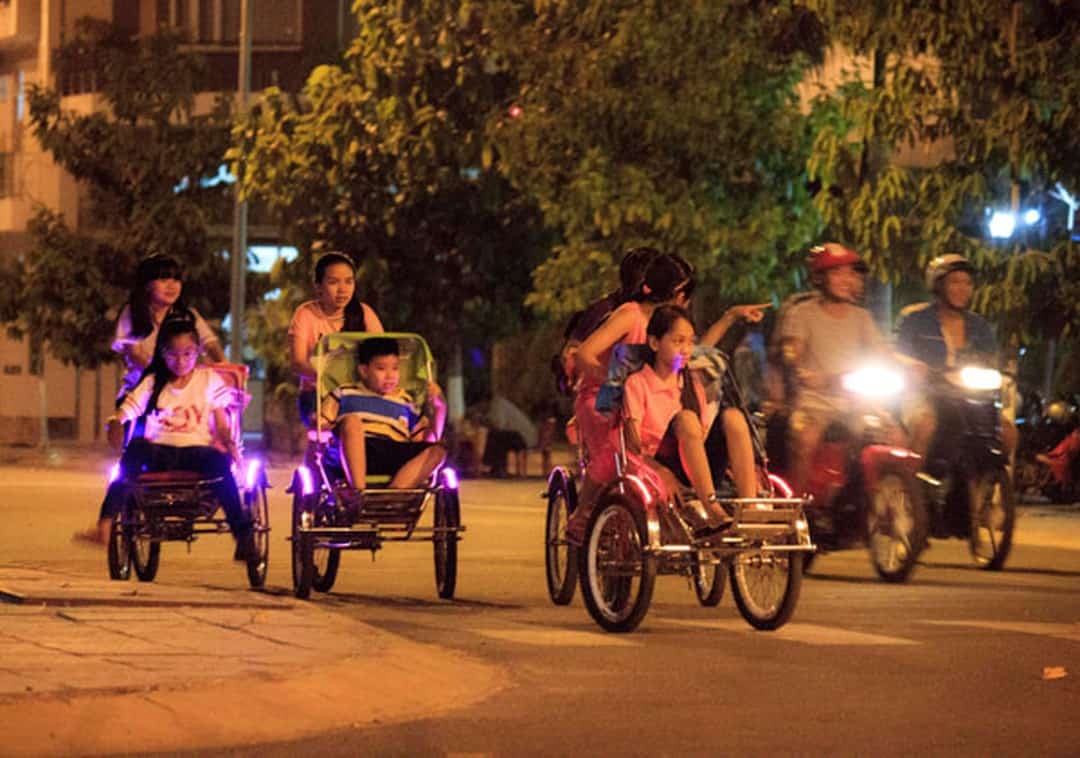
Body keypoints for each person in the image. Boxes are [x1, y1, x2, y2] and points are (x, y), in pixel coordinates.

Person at [75, 317, 254, 558]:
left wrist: (227, 441)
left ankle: (242, 536)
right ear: (163, 353)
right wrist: (115, 422)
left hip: (196, 452)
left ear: (198, 352)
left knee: (221, 466)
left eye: (187, 354)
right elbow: (125, 411)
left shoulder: (209, 380)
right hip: (159, 452)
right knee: (132, 455)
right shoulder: (152, 383)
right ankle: (104, 527)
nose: (180, 361)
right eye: (173, 354)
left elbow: (221, 422)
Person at [624, 305, 761, 533]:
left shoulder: (693, 385)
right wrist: (659, 471)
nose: (686, 349)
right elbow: (632, 448)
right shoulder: (638, 384)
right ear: (655, 343)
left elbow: (704, 436)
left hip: (696, 467)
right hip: (661, 466)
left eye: (690, 342)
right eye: (678, 341)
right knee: (687, 419)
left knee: (734, 417)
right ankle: (712, 509)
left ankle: (752, 509)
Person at [779, 243, 886, 494]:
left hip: (858, 401)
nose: (846, 280)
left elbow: (882, 352)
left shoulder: (862, 317)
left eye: (851, 274)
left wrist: (905, 367)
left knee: (894, 434)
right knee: (806, 439)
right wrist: (802, 370)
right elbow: (791, 351)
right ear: (820, 278)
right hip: (815, 401)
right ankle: (799, 511)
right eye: (837, 273)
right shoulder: (801, 314)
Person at [894, 254, 1016, 460]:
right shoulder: (914, 318)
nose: (963, 289)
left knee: (1008, 433)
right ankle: (911, 485)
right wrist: (915, 366)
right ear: (939, 285)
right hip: (924, 393)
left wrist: (1003, 371)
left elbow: (992, 359)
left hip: (970, 396)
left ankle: (988, 481)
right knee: (926, 425)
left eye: (968, 283)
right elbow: (897, 353)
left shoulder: (980, 325)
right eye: (955, 282)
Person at [320, 337, 447, 520]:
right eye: (381, 369)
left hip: (393, 450)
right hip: (355, 449)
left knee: (438, 451)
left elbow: (427, 439)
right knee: (352, 422)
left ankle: (389, 500)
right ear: (364, 371)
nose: (390, 376)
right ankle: (359, 496)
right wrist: (323, 425)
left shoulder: (406, 401)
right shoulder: (344, 393)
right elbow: (322, 426)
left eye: (395, 368)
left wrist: (440, 408)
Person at [112, 254, 224, 404]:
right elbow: (135, 354)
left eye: (176, 279)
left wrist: (224, 366)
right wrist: (163, 377)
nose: (172, 286)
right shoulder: (133, 313)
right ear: (147, 285)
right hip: (140, 394)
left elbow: (210, 344)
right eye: (163, 279)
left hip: (182, 395)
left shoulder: (188, 316)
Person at [289, 252, 384, 426]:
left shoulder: (365, 314)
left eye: (349, 281)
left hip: (361, 394)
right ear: (318, 286)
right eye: (333, 282)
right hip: (318, 395)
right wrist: (331, 378)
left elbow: (383, 354)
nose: (343, 289)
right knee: (323, 431)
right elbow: (297, 363)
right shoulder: (305, 314)